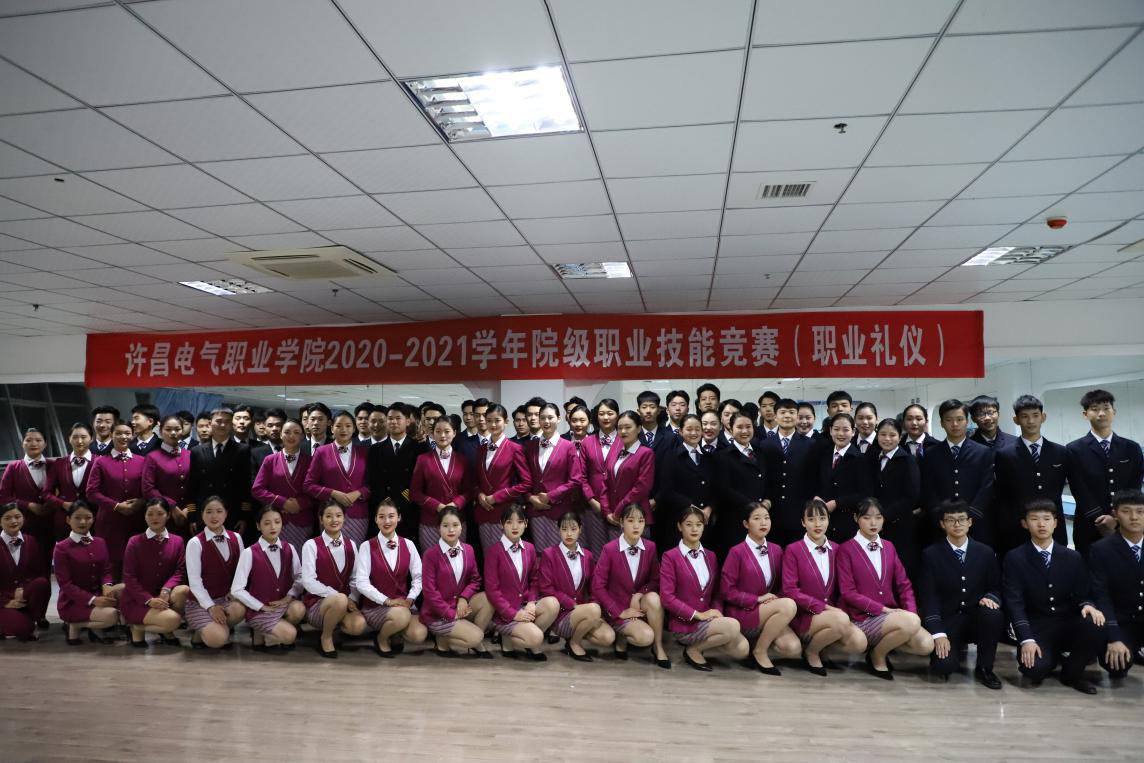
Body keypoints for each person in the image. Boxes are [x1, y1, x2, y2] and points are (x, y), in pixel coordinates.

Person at [1004, 499, 1107, 694]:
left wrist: (1088, 605)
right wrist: (1026, 639)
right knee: (1033, 670)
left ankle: (1072, 673)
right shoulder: (1015, 557)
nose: (1041, 524)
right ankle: (1051, 658)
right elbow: (1014, 603)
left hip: (1067, 620)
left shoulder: (1072, 557)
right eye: (1034, 519)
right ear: (1024, 524)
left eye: (1046, 519)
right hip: (1037, 624)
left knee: (1095, 621)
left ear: (1056, 523)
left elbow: (1083, 594)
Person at [836, 497, 933, 679]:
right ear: (856, 518)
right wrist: (883, 609)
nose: (873, 523)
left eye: (878, 517)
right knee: (911, 623)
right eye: (867, 518)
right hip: (862, 617)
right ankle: (878, 656)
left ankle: (879, 649)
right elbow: (847, 593)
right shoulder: (846, 549)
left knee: (926, 644)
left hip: (892, 617)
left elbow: (904, 585)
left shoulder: (889, 547)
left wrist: (911, 613)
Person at [918, 500, 1004, 689]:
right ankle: (950, 653)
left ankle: (985, 668)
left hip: (976, 618)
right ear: (942, 524)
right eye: (951, 520)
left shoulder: (985, 552)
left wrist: (991, 598)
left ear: (970, 522)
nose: (957, 524)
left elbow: (996, 587)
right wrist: (938, 633)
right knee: (944, 667)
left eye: (961, 519)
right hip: (948, 621)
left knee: (993, 614)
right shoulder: (931, 554)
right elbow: (929, 598)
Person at [781, 499, 868, 676]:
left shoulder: (838, 549)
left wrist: (839, 610)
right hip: (803, 614)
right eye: (811, 519)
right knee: (840, 621)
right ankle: (811, 652)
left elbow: (845, 588)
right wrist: (825, 608)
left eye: (822, 518)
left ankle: (821, 646)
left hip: (833, 615)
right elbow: (790, 590)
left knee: (859, 643)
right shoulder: (793, 550)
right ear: (803, 523)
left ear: (829, 520)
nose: (817, 524)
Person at [660, 507, 748, 672]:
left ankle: (698, 646)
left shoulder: (711, 555)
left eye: (699, 524)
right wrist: (698, 615)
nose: (694, 529)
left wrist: (716, 612)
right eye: (689, 524)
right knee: (732, 626)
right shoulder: (670, 556)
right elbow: (667, 597)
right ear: (679, 526)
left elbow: (716, 594)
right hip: (685, 623)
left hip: (708, 620)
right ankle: (693, 650)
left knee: (742, 649)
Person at [720, 502, 801, 674]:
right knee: (788, 605)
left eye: (767, 518)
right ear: (746, 524)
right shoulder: (736, 551)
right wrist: (757, 599)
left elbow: (782, 586)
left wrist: (772, 601)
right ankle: (760, 651)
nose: (763, 522)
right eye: (757, 518)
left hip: (769, 610)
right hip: (743, 611)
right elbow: (727, 591)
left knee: (792, 647)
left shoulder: (776, 550)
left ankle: (758, 643)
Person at [590, 504, 670, 668]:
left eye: (640, 521)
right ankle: (621, 635)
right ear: (621, 523)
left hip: (638, 607)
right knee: (645, 637)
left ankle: (658, 646)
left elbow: (655, 580)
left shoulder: (650, 547)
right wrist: (619, 611)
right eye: (631, 520)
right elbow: (598, 586)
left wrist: (639, 594)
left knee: (654, 598)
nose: (636, 526)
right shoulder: (610, 549)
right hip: (617, 609)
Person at [1066, 389, 1143, 558]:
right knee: (1090, 568)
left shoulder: (1131, 448)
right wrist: (1100, 518)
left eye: (1106, 408)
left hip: (1126, 523)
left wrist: (1117, 518)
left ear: (1114, 412)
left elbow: (1134, 488)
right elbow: (1079, 488)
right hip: (1089, 524)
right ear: (1085, 414)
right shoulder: (1074, 449)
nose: (1101, 413)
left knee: (1127, 567)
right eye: (1095, 409)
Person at [993, 395, 1069, 554]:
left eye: (1035, 415)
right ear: (1016, 420)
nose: (1031, 421)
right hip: (1018, 524)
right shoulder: (1005, 455)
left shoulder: (1060, 452)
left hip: (1053, 523)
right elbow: (1002, 495)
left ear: (1043, 417)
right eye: (1024, 416)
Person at [353, 499, 428, 658]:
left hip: (403, 604)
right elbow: (361, 582)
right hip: (376, 606)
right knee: (401, 616)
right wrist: (387, 601)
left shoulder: (408, 544)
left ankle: (394, 631)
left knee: (419, 634)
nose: (387, 521)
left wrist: (411, 598)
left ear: (399, 518)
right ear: (375, 519)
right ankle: (382, 638)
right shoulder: (367, 546)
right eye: (382, 516)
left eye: (391, 516)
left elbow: (419, 577)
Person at [483, 505, 559, 660]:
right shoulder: (493, 551)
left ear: (526, 523)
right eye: (509, 522)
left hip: (524, 605)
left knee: (553, 604)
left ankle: (524, 638)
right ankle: (514, 638)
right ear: (502, 524)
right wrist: (514, 614)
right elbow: (492, 590)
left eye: (519, 521)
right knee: (536, 638)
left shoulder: (529, 548)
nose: (515, 526)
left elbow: (535, 579)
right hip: (505, 612)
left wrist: (531, 602)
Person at [538, 511, 614, 661]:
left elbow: (594, 587)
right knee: (594, 610)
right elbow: (546, 588)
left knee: (608, 637)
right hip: (560, 613)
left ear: (580, 529)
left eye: (573, 529)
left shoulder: (587, 555)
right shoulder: (549, 554)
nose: (569, 533)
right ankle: (575, 643)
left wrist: (593, 605)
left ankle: (573, 638)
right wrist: (572, 604)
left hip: (583, 611)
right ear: (558, 530)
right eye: (564, 529)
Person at [419, 506, 493, 658]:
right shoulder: (430, 555)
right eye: (445, 525)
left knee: (489, 598)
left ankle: (468, 637)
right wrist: (450, 613)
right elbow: (429, 592)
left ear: (461, 527)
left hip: (460, 607)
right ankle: (445, 640)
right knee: (477, 637)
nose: (451, 530)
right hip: (438, 613)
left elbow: (475, 580)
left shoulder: (469, 550)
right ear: (438, 528)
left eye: (455, 525)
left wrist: (464, 598)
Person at [230, 506, 306, 652]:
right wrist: (260, 606)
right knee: (290, 636)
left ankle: (269, 631)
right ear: (258, 526)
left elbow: (300, 576)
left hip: (283, 605)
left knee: (299, 609)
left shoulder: (289, 548)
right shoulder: (249, 552)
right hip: (259, 609)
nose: (273, 527)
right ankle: (259, 631)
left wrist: (289, 596)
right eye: (267, 523)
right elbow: (236, 589)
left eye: (277, 522)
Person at [920, 400, 995, 546]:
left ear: (967, 421)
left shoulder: (982, 452)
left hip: (975, 523)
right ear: (942, 423)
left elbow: (986, 486)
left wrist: (970, 516)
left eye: (959, 419)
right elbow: (928, 488)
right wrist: (940, 516)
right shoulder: (931, 453)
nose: (955, 424)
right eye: (949, 420)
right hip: (941, 525)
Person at [1088, 489, 1144, 681]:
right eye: (1126, 511)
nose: (1134, 517)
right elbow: (1101, 594)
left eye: (1140, 511)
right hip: (1122, 621)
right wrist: (1114, 637)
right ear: (1115, 514)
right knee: (1118, 666)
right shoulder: (1101, 549)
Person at [119, 498, 188, 648]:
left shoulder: (178, 541)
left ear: (168, 515)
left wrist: (167, 588)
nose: (154, 518)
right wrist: (148, 600)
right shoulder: (134, 542)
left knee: (183, 590)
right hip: (138, 599)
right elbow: (129, 578)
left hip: (163, 596)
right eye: (150, 514)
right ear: (144, 516)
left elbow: (179, 572)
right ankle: (136, 627)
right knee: (173, 621)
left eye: (160, 513)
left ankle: (164, 630)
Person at [302, 501, 367, 658]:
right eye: (329, 516)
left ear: (344, 518)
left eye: (338, 516)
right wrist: (338, 596)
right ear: (321, 519)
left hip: (345, 601)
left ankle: (334, 631)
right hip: (318, 603)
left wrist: (352, 598)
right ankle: (326, 637)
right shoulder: (311, 545)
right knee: (339, 600)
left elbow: (355, 578)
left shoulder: (351, 545)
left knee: (358, 625)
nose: (334, 520)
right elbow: (308, 581)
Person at [53, 500, 122, 645]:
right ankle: (74, 625)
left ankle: (95, 629)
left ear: (93, 519)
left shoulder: (100, 542)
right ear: (68, 520)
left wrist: (107, 585)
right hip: (73, 602)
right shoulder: (61, 548)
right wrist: (93, 600)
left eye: (88, 517)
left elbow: (106, 571)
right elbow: (66, 585)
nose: (83, 522)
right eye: (77, 518)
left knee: (124, 590)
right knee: (112, 616)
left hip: (99, 594)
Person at [182, 496, 245, 650]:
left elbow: (242, 572)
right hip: (200, 602)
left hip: (225, 599)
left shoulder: (236, 538)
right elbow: (195, 583)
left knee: (240, 609)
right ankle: (203, 633)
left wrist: (234, 591)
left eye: (219, 511)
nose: (214, 516)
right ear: (202, 515)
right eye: (209, 512)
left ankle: (218, 628)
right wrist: (211, 607)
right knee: (217, 640)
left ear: (226, 514)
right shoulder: (195, 543)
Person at [86, 421, 146, 580]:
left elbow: (148, 489)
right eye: (118, 433)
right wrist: (116, 506)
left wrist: (141, 502)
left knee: (136, 566)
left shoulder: (142, 461)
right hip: (109, 523)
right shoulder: (101, 461)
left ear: (133, 435)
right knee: (112, 568)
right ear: (111, 435)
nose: (123, 437)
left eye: (127, 433)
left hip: (136, 521)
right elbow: (91, 492)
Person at [303, 410, 371, 550]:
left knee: (355, 554)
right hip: (330, 514)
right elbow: (308, 485)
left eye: (348, 426)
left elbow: (372, 484)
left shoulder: (365, 452)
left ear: (354, 428)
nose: (343, 429)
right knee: (329, 554)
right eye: (338, 426)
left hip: (358, 514)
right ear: (332, 428)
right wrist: (333, 493)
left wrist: (358, 493)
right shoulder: (322, 452)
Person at [524, 403, 584, 551]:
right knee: (540, 553)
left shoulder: (568, 446)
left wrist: (551, 496)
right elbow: (524, 478)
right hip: (536, 510)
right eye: (543, 418)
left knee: (559, 553)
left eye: (550, 417)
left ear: (558, 419)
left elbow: (576, 479)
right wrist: (530, 498)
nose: (546, 421)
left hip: (560, 510)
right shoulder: (530, 446)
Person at [367, 402, 429, 543]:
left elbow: (421, 480)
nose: (393, 422)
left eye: (398, 418)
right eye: (390, 418)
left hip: (408, 505)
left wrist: (403, 498)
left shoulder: (419, 448)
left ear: (407, 421)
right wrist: (385, 500)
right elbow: (373, 479)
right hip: (383, 506)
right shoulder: (376, 449)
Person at [251, 419, 315, 553]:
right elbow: (257, 490)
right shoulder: (270, 460)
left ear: (303, 436)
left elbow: (316, 491)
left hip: (302, 520)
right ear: (280, 435)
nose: (291, 436)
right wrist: (282, 502)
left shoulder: (311, 461)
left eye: (296, 432)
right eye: (287, 432)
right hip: (276, 520)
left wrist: (300, 504)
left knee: (300, 559)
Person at [186, 408, 251, 536]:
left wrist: (244, 516)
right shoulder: (197, 451)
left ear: (232, 425)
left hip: (232, 513)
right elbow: (192, 486)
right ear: (210, 423)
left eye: (227, 422)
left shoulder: (242, 450)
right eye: (219, 421)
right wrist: (192, 516)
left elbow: (245, 486)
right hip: (204, 512)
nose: (222, 425)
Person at [473, 403, 530, 549]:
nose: (493, 424)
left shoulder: (515, 448)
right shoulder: (481, 449)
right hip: (484, 511)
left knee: (506, 553)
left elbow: (526, 483)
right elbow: (476, 479)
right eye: (489, 420)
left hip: (505, 511)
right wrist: (479, 494)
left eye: (497, 420)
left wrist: (497, 496)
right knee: (487, 554)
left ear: (506, 422)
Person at [410, 416, 471, 552]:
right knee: (431, 559)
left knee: (456, 560)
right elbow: (414, 492)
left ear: (454, 433)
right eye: (438, 431)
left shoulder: (463, 460)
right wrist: (437, 506)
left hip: (456, 520)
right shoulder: (423, 459)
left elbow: (469, 491)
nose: (442, 435)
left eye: (447, 431)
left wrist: (455, 504)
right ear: (432, 434)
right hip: (430, 521)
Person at [655, 413, 714, 552]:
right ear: (681, 432)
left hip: (705, 521)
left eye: (697, 429)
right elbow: (666, 491)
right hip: (679, 519)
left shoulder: (709, 458)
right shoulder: (671, 456)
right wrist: (691, 507)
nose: (694, 433)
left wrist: (710, 507)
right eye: (689, 429)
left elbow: (716, 488)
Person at [713, 412, 771, 554]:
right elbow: (724, 489)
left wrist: (768, 500)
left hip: (761, 519)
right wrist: (754, 506)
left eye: (748, 426)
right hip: (736, 520)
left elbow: (768, 482)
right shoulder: (723, 456)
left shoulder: (760, 453)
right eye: (739, 427)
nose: (744, 431)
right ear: (731, 429)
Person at [811, 413, 872, 544]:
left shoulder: (860, 459)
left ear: (853, 432)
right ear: (830, 430)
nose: (840, 434)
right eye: (836, 429)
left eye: (845, 430)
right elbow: (817, 483)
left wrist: (837, 503)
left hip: (849, 522)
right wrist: (816, 496)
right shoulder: (824, 455)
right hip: (824, 522)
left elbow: (865, 494)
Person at [871, 418, 922, 575]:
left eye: (892, 435)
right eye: (883, 434)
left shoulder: (907, 460)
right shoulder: (875, 458)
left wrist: (884, 516)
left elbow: (912, 496)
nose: (887, 439)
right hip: (876, 524)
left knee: (900, 569)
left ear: (900, 437)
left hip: (899, 524)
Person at [0, 428, 53, 575]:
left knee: (46, 566)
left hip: (50, 525)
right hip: (23, 525)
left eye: (38, 440)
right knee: (25, 567)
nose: (33, 443)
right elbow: (3, 496)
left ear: (45, 444)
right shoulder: (13, 467)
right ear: (22, 443)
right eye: (28, 440)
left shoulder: (54, 465)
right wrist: (28, 505)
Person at [599, 411, 655, 542]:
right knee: (615, 553)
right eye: (620, 428)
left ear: (639, 428)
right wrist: (607, 511)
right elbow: (605, 483)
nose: (623, 431)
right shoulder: (615, 452)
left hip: (636, 517)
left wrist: (619, 511)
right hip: (614, 519)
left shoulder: (646, 453)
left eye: (628, 427)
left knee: (638, 554)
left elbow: (642, 487)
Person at [0, 503, 50, 640]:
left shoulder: (30, 541)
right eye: (7, 518)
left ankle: (23, 620)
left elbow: (38, 573)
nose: (14, 521)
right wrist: (5, 601)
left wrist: (22, 588)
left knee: (42, 583)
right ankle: (21, 624)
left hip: (23, 596)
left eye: (17, 516)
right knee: (24, 629)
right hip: (3, 600)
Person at [578, 399, 621, 555]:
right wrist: (591, 500)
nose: (606, 417)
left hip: (618, 507)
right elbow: (581, 476)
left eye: (610, 413)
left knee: (618, 553)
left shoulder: (626, 440)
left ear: (617, 415)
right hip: (593, 507)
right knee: (596, 553)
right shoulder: (587, 442)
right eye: (601, 413)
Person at [43, 422, 95, 543]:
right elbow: (46, 493)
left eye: (83, 437)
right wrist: (63, 504)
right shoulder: (59, 463)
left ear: (91, 439)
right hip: (64, 519)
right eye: (75, 437)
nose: (79, 441)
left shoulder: (100, 462)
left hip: (93, 519)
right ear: (69, 439)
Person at [141, 414, 192, 536]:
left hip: (190, 515)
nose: (173, 433)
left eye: (177, 429)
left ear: (182, 431)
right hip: (163, 514)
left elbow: (196, 486)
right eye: (168, 429)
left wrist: (189, 509)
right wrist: (172, 507)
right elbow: (148, 489)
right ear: (160, 431)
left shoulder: (190, 454)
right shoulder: (152, 457)